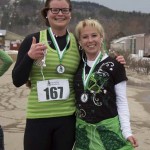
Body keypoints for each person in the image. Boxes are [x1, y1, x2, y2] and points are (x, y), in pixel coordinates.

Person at [12, 0, 126, 150]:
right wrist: (29, 57)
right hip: (38, 118)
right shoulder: (33, 41)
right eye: (55, 10)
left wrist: (116, 62)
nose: (60, 14)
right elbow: (17, 80)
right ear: (46, 13)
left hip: (67, 119)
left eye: (65, 10)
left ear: (70, 14)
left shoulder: (77, 43)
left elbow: (95, 63)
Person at [74, 19, 138, 150]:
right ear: (80, 42)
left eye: (94, 35)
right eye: (85, 37)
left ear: (101, 37)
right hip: (84, 134)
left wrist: (127, 132)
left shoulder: (115, 65)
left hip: (108, 131)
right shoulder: (77, 65)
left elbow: (121, 101)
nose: (90, 40)